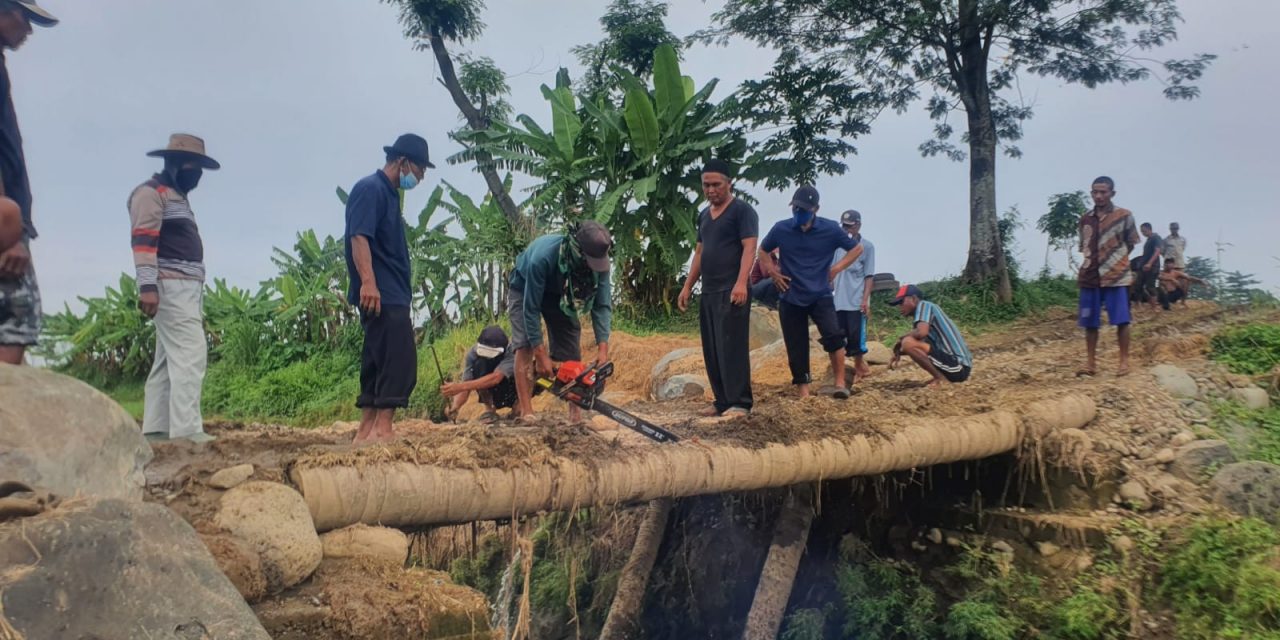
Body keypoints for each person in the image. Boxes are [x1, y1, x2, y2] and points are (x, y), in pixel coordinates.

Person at [128, 134, 220, 443]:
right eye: (195, 168)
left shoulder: (176, 196)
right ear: (179, 164)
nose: (198, 176)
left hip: (185, 286)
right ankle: (187, 431)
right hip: (170, 284)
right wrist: (147, 286)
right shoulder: (150, 194)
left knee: (167, 360)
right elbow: (143, 240)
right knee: (191, 353)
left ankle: (157, 429)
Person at [344, 133, 433, 444]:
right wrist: (369, 282)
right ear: (403, 161)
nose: (420, 178)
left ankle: (365, 431)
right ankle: (383, 429)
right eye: (420, 170)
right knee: (400, 357)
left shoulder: (389, 194)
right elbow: (359, 237)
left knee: (377, 358)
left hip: (390, 291)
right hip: (383, 292)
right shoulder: (370, 189)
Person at [758, 185, 862, 399]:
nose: (798, 212)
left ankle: (840, 383)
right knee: (796, 344)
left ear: (815, 209)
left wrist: (836, 268)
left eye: (803, 209)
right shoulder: (781, 229)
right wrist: (773, 273)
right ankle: (804, 392)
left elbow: (856, 248)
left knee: (834, 336)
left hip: (820, 294)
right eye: (795, 208)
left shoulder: (831, 229)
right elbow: (763, 250)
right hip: (790, 294)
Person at [509, 220, 613, 422]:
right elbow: (530, 308)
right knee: (524, 344)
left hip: (559, 292)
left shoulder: (601, 264)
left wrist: (603, 350)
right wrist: (540, 354)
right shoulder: (542, 257)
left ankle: (575, 412)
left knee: (570, 343)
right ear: (577, 250)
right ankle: (527, 411)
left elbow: (602, 305)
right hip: (524, 287)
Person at [677, 159, 758, 417]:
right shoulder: (703, 216)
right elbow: (699, 253)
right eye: (706, 185)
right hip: (709, 290)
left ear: (728, 184)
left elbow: (749, 248)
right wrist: (687, 286)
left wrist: (741, 282)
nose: (711, 190)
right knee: (712, 347)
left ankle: (740, 402)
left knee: (731, 345)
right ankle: (721, 400)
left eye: (716, 184)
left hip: (732, 289)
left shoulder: (742, 211)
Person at [0, 0, 56, 366]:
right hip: (5, 220)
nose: (29, 30)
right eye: (25, 18)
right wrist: (10, 225)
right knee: (16, 321)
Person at [1077, 176, 1140, 377]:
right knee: (1090, 322)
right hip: (1090, 275)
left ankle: (1123, 362)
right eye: (1095, 192)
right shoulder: (1085, 218)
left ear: (1112, 193)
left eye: (1103, 192)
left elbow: (1131, 242)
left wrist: (1116, 259)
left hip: (1116, 276)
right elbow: (1083, 245)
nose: (1099, 196)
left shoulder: (1124, 216)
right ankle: (1090, 363)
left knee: (1122, 320)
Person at [888, 284, 972, 387]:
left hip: (959, 366)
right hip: (956, 367)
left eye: (901, 302)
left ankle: (940, 378)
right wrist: (899, 350)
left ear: (914, 299)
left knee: (908, 342)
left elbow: (921, 333)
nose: (899, 307)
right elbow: (920, 347)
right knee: (908, 342)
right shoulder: (924, 317)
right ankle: (941, 376)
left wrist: (902, 340)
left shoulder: (924, 306)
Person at [832, 209, 875, 384]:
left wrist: (865, 300)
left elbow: (869, 275)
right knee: (838, 336)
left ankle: (859, 366)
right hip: (838, 299)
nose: (847, 230)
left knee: (856, 337)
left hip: (856, 298)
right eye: (844, 226)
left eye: (850, 226)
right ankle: (841, 370)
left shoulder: (867, 246)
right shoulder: (837, 247)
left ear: (858, 225)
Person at [441, 325, 518, 423]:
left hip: (511, 385)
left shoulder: (512, 351)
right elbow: (467, 383)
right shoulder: (473, 354)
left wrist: (459, 387)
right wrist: (455, 406)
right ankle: (490, 408)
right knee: (479, 365)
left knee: (518, 412)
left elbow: (496, 378)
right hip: (493, 390)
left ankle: (518, 405)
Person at [1134, 222, 1162, 308]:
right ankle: (1138, 305)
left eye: (1144, 231)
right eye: (1142, 231)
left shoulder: (1156, 238)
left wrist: (1150, 263)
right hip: (1143, 266)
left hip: (1152, 266)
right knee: (1138, 285)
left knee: (1150, 287)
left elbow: (1157, 251)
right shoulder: (1148, 240)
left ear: (1150, 229)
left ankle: (1154, 307)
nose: (1143, 233)